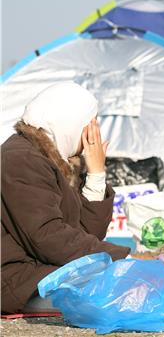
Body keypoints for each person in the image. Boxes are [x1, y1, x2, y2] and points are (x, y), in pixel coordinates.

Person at [1, 82, 131, 314]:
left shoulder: (51, 159)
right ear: (70, 123)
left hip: (36, 268)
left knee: (129, 285)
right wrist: (120, 258)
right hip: (13, 280)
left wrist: (96, 175)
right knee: (124, 290)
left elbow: (83, 235)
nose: (92, 136)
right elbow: (49, 238)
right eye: (89, 126)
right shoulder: (21, 159)